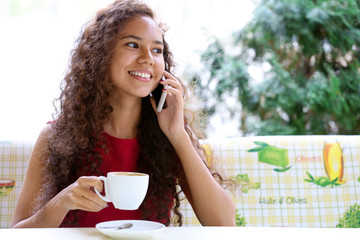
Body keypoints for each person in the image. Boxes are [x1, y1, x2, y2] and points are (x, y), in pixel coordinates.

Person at [11, 0, 235, 228]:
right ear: (101, 55)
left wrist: (177, 134)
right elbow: (17, 234)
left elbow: (224, 224)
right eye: (133, 45)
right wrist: (61, 202)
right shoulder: (56, 136)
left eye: (157, 50)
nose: (148, 58)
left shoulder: (171, 136)